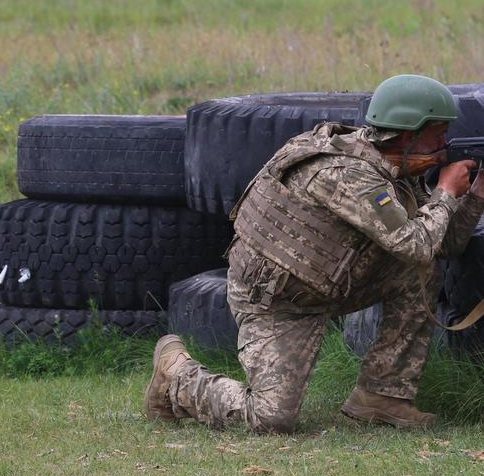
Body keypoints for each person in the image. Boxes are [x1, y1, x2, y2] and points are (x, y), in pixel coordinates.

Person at [145, 74, 484, 434]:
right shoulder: (346, 174)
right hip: (278, 300)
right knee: (270, 418)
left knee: (420, 269)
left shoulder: (394, 167)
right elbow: (416, 244)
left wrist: (476, 194)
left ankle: (383, 395)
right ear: (408, 134)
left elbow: (442, 246)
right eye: (438, 134)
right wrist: (446, 193)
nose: (445, 144)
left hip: (331, 281)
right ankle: (176, 375)